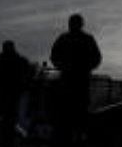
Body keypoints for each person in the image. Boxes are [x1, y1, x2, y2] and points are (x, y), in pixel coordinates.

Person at [49, 13, 101, 146]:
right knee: (79, 115)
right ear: (81, 24)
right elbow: (97, 58)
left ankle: (67, 138)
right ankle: (79, 137)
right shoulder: (88, 39)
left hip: (68, 82)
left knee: (66, 116)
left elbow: (53, 56)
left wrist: (62, 66)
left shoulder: (63, 38)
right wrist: (86, 68)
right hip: (80, 83)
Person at [0, 41, 36, 146]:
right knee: (4, 120)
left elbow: (30, 71)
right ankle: (0, 139)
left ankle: (2, 139)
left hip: (8, 96)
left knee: (6, 120)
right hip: (3, 96)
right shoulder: (5, 60)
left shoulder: (3, 60)